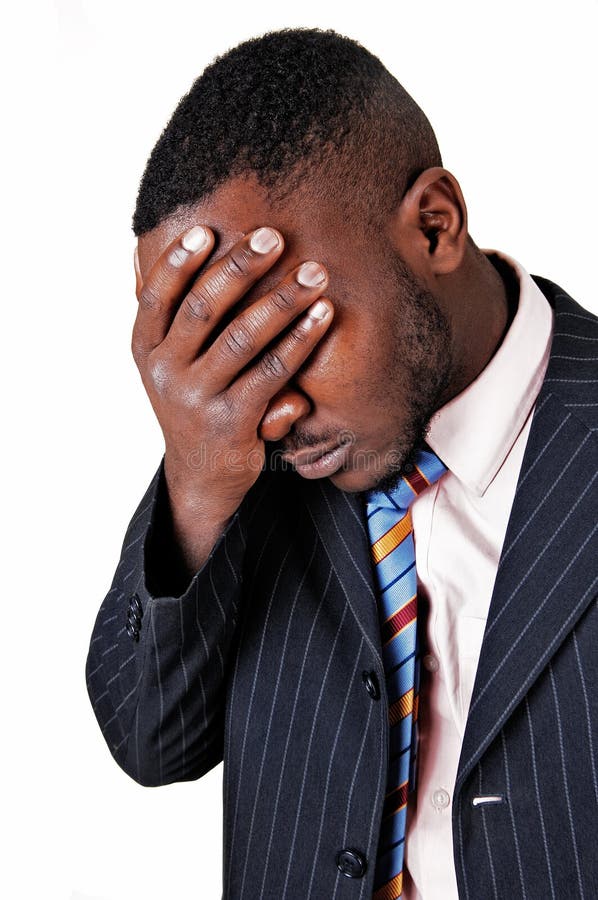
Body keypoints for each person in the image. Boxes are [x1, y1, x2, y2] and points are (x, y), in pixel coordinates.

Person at [85, 28, 598, 900]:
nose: (267, 405)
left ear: (435, 226)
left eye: (284, 335)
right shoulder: (243, 461)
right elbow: (151, 740)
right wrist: (198, 481)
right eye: (227, 353)